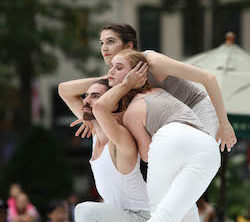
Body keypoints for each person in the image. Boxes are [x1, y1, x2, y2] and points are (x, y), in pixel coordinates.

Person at [80, 49, 221, 222]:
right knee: (176, 214)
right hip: (207, 150)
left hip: (170, 140)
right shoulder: (161, 92)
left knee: (161, 217)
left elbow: (146, 153)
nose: (111, 71)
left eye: (119, 67)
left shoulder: (135, 109)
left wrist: (125, 87)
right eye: (111, 67)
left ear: (139, 74)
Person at [59, 79, 180, 222]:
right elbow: (64, 90)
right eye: (86, 96)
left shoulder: (120, 137)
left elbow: (105, 112)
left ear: (114, 104)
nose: (86, 101)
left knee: (84, 212)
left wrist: (121, 86)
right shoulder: (96, 132)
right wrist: (114, 78)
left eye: (95, 96)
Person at [70, 23, 236, 153]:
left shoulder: (153, 62)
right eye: (102, 43)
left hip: (198, 110)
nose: (104, 48)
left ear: (129, 46)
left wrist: (225, 124)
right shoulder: (118, 77)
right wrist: (90, 116)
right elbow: (65, 89)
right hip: (171, 121)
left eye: (110, 42)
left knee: (192, 162)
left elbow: (209, 78)